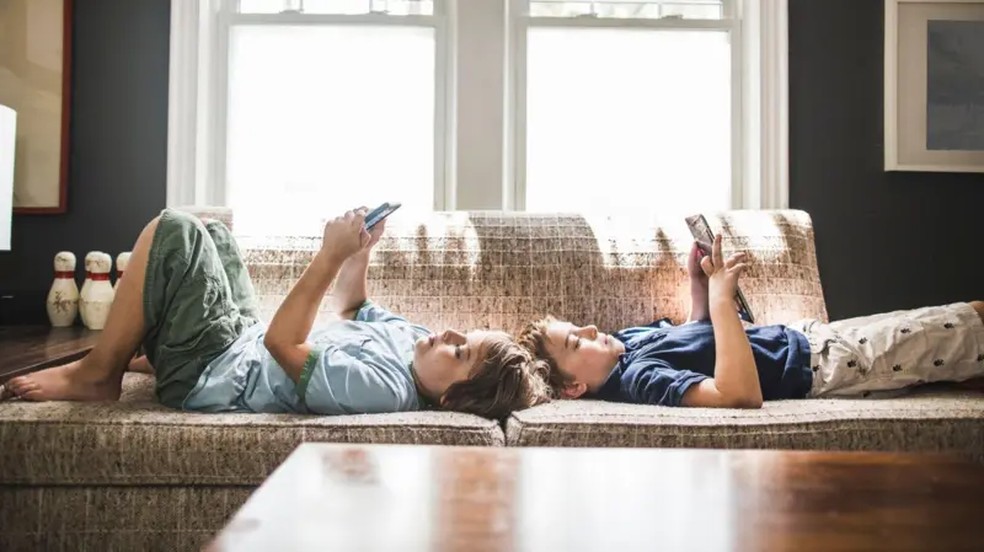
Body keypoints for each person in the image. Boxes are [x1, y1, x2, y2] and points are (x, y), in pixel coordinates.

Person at [2, 208, 549, 419]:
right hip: (238, 341)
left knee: (176, 231)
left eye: (461, 350)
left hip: (211, 372)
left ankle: (100, 373)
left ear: (449, 397)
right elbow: (354, 307)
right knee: (214, 233)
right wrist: (360, 254)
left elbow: (283, 345)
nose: (448, 333)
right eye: (464, 333)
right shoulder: (414, 342)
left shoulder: (382, 389)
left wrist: (329, 255)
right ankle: (149, 354)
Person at [518, 234, 984, 408]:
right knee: (965, 328)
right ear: (574, 388)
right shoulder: (640, 379)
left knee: (960, 323)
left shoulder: (629, 341)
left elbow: (698, 336)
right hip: (826, 366)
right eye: (576, 345)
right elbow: (738, 393)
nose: (591, 331)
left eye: (576, 326)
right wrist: (723, 303)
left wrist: (700, 288)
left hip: (808, 336)